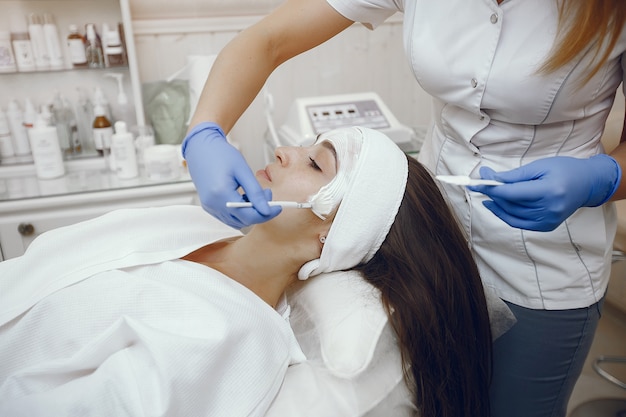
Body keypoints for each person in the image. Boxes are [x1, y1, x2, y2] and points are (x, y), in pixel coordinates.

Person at [181, 1, 626, 416]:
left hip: (544, 267)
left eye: (317, 161)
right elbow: (268, 40)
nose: (282, 152)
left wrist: (599, 180)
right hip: (431, 238)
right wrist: (204, 130)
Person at [0, 126, 493, 416]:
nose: (284, 151)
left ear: (337, 232)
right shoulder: (193, 226)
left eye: (315, 165)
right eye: (306, 146)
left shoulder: (233, 334)